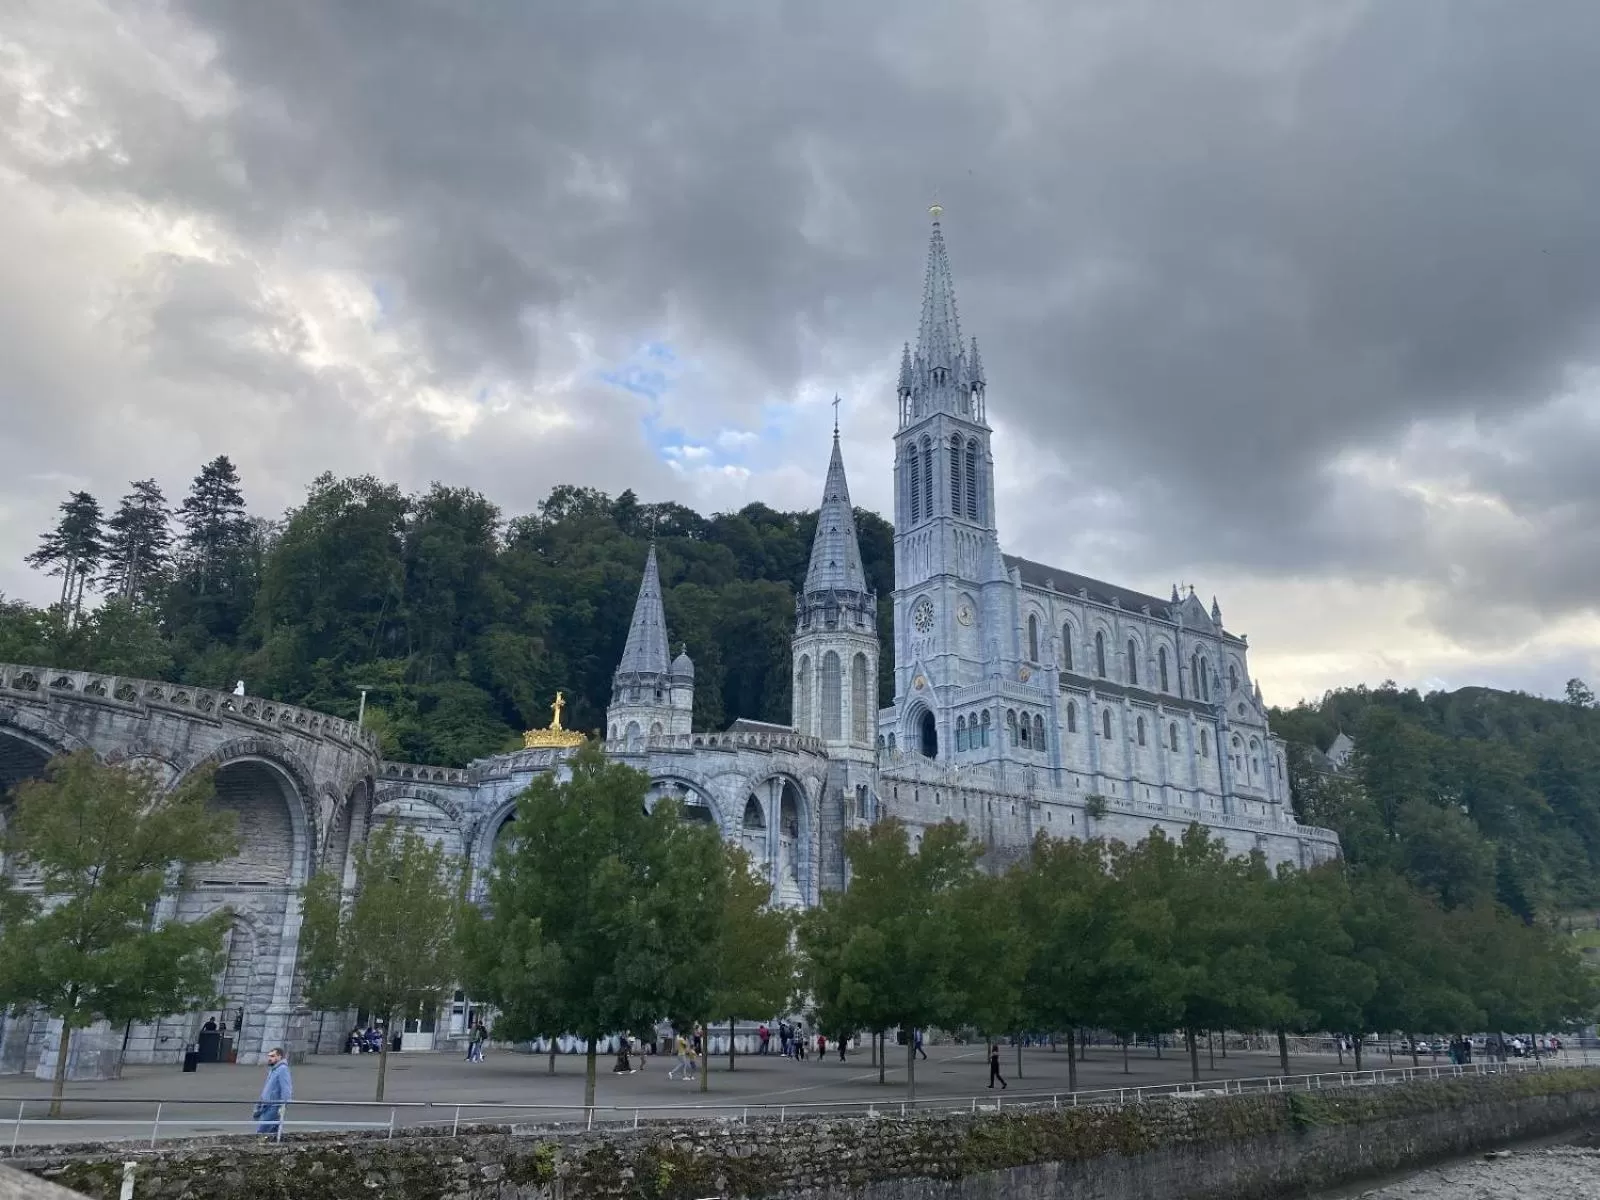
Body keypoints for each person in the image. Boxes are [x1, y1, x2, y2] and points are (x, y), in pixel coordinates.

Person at [253, 1047, 293, 1137]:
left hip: (274, 1106)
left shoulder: (282, 1069)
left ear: (279, 1057)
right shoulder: (274, 1069)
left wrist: (283, 1106)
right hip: (266, 1105)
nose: (269, 1058)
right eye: (269, 1056)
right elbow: (268, 1088)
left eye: (272, 1056)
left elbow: (286, 1089)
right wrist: (259, 1103)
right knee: (273, 1132)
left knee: (262, 1132)